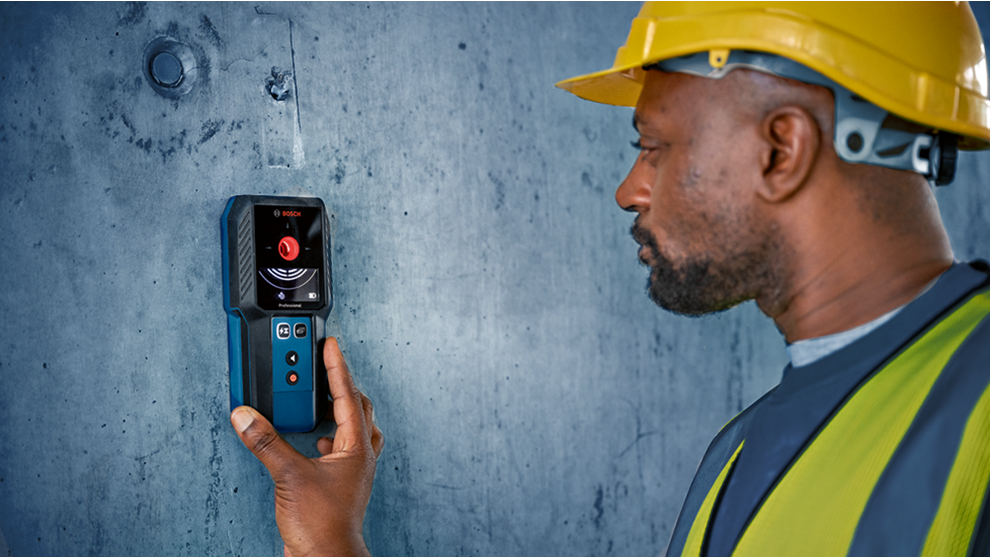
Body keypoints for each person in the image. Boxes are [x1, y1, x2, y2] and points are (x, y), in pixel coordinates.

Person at [230, 3, 990, 556]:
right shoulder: (744, 448)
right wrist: (333, 545)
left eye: (653, 146)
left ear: (781, 149)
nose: (630, 187)